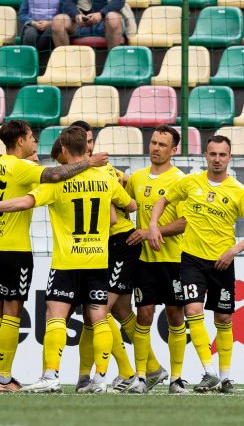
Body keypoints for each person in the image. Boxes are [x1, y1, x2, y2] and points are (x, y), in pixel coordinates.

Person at [0, 126, 136, 393]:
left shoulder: (57, 182)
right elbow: (128, 207)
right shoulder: (106, 178)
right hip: (98, 260)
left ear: (63, 150)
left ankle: (51, 376)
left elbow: (24, 203)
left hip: (66, 262)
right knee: (100, 318)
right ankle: (99, 379)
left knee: (55, 316)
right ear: (86, 148)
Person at [149, 135, 244, 394]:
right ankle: (209, 371)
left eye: (222, 155)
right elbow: (163, 201)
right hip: (190, 259)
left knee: (223, 318)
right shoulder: (190, 183)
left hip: (221, 261)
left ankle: (225, 378)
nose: (217, 159)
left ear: (229, 158)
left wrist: (233, 251)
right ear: (205, 155)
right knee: (192, 310)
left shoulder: (238, 191)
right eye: (212, 154)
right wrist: (154, 225)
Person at [51, 121, 141, 394]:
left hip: (118, 243)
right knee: (113, 313)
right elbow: (129, 204)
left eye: (91, 140)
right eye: (86, 141)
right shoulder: (97, 170)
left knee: (99, 315)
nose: (89, 145)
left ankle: (128, 373)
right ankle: (90, 378)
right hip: (101, 246)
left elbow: (116, 217)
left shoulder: (101, 170)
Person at [125, 125, 188, 394]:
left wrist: (153, 230)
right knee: (144, 315)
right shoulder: (136, 178)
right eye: (153, 143)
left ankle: (176, 379)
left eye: (162, 145)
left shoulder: (181, 181)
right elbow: (124, 204)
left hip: (173, 258)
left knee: (175, 316)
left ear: (175, 150)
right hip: (143, 261)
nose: (155, 148)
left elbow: (185, 222)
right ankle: (141, 376)